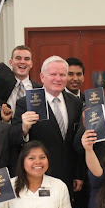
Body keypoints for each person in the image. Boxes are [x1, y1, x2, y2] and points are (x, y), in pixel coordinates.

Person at [12, 56, 84, 195]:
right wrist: (24, 128)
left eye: (62, 75)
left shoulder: (75, 102)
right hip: (39, 174)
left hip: (68, 175)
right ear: (42, 77)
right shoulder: (26, 103)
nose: (58, 79)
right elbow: (13, 138)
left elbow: (76, 142)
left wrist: (78, 173)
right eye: (53, 74)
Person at [0, 2, 42, 114]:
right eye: (18, 58)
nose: (22, 62)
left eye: (26, 59)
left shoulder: (39, 89)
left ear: (31, 64)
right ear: (11, 62)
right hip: (2, 124)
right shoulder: (1, 77)